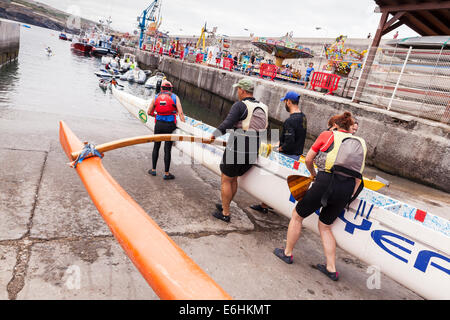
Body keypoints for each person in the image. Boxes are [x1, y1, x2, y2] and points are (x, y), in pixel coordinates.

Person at [273, 111, 367, 281]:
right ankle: (331, 268)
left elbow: (309, 159)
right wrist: (349, 196)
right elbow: (358, 176)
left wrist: (313, 174)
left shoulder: (328, 135)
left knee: (297, 216)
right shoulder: (361, 143)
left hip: (326, 181)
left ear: (336, 125)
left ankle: (287, 253)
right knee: (325, 226)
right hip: (346, 189)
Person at [210, 78, 268, 223]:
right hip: (254, 147)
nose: (237, 92)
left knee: (226, 178)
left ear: (242, 90)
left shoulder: (240, 105)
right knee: (234, 177)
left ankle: (225, 213)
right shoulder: (263, 107)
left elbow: (228, 123)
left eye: (238, 89)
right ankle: (226, 204)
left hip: (239, 144)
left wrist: (213, 135)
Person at [250, 91, 307, 214]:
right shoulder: (303, 117)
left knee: (271, 180)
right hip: (296, 157)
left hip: (286, 156)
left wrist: (277, 149)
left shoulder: (290, 121)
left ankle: (265, 205)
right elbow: (297, 138)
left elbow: (289, 142)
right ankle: (267, 204)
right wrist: (279, 143)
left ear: (289, 102)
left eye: (285, 102)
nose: (284, 104)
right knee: (281, 182)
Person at [147, 80, 186, 180]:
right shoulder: (175, 97)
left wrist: (157, 115)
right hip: (170, 126)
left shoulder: (156, 97)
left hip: (159, 125)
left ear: (161, 89)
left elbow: (149, 112)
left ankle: (153, 170)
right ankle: (166, 173)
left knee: (156, 146)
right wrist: (184, 127)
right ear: (171, 89)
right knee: (167, 149)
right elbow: (181, 114)